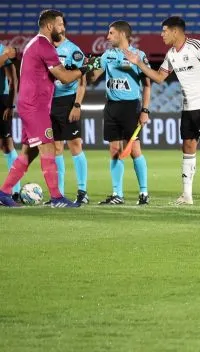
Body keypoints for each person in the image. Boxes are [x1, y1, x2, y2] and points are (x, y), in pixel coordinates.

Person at [125, 17, 200, 206]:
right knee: (187, 147)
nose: (162, 34)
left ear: (175, 31)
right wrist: (139, 63)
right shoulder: (171, 54)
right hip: (187, 109)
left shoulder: (197, 47)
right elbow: (159, 77)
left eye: (164, 31)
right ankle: (187, 195)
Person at [0, 10, 92, 208]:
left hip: (32, 105)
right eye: (60, 24)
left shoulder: (36, 43)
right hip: (35, 108)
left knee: (29, 153)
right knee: (48, 147)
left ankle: (4, 192)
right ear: (50, 26)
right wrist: (85, 68)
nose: (63, 28)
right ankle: (57, 197)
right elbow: (64, 77)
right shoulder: (44, 45)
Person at [88, 21, 152, 206]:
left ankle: (144, 192)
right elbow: (93, 77)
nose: (107, 37)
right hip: (111, 107)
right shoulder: (107, 55)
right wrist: (88, 66)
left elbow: (147, 85)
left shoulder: (138, 55)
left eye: (111, 33)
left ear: (122, 34)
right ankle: (117, 193)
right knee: (114, 150)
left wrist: (145, 110)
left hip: (131, 107)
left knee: (134, 150)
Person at [50, 20, 91, 204]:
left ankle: (82, 191)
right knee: (56, 148)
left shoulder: (73, 51)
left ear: (63, 27)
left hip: (68, 101)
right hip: (49, 102)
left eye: (58, 24)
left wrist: (77, 105)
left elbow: (82, 82)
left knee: (74, 144)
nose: (55, 27)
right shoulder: (46, 49)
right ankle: (58, 193)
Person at [0, 43, 17, 197]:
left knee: (7, 144)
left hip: (2, 100)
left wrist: (11, 105)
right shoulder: (5, 52)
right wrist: (6, 56)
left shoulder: (1, 49)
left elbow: (13, 80)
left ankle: (16, 190)